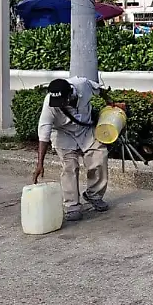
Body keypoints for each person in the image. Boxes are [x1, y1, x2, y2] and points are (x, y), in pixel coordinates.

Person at [32, 77, 113, 221]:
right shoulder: (50, 104)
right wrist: (40, 164)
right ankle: (72, 206)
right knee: (69, 167)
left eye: (62, 101)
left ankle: (94, 195)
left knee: (99, 157)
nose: (59, 105)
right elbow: (43, 134)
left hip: (85, 131)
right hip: (63, 134)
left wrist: (110, 103)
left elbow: (100, 90)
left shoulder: (83, 85)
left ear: (70, 94)